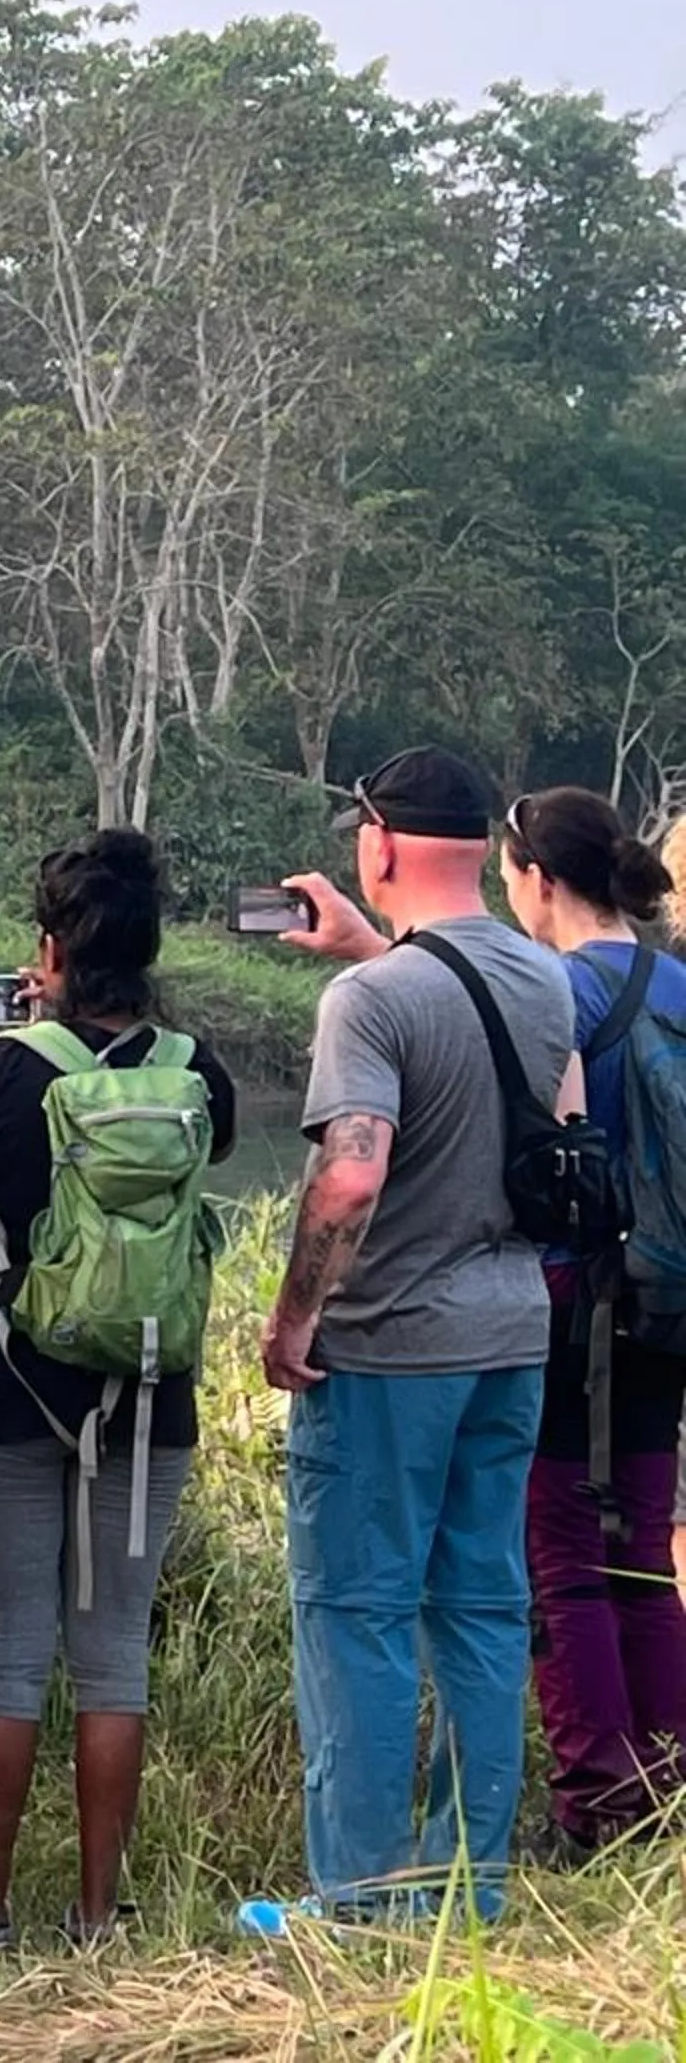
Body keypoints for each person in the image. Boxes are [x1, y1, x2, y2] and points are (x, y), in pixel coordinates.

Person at [0, 831, 239, 1949]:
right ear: (149, 948)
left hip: (0, 1396)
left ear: (47, 946)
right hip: (143, 1391)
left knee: (6, 1650)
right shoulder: (201, 1077)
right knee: (113, 1648)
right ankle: (96, 1914)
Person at [245, 747, 581, 1931]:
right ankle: (467, 1886)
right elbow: (563, 1127)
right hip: (514, 1335)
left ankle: (358, 1897)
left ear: (377, 845)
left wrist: (294, 1320)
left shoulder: (370, 1002)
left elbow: (350, 1179)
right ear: (486, 850)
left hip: (389, 1350)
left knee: (357, 1611)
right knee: (482, 1606)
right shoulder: (544, 982)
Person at [498, 787, 686, 1855]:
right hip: (671, 1293)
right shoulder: (679, 981)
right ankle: (669, 1781)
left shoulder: (553, 988)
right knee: (642, 1545)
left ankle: (598, 1805)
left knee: (560, 1547)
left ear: (539, 880)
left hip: (576, 1294)